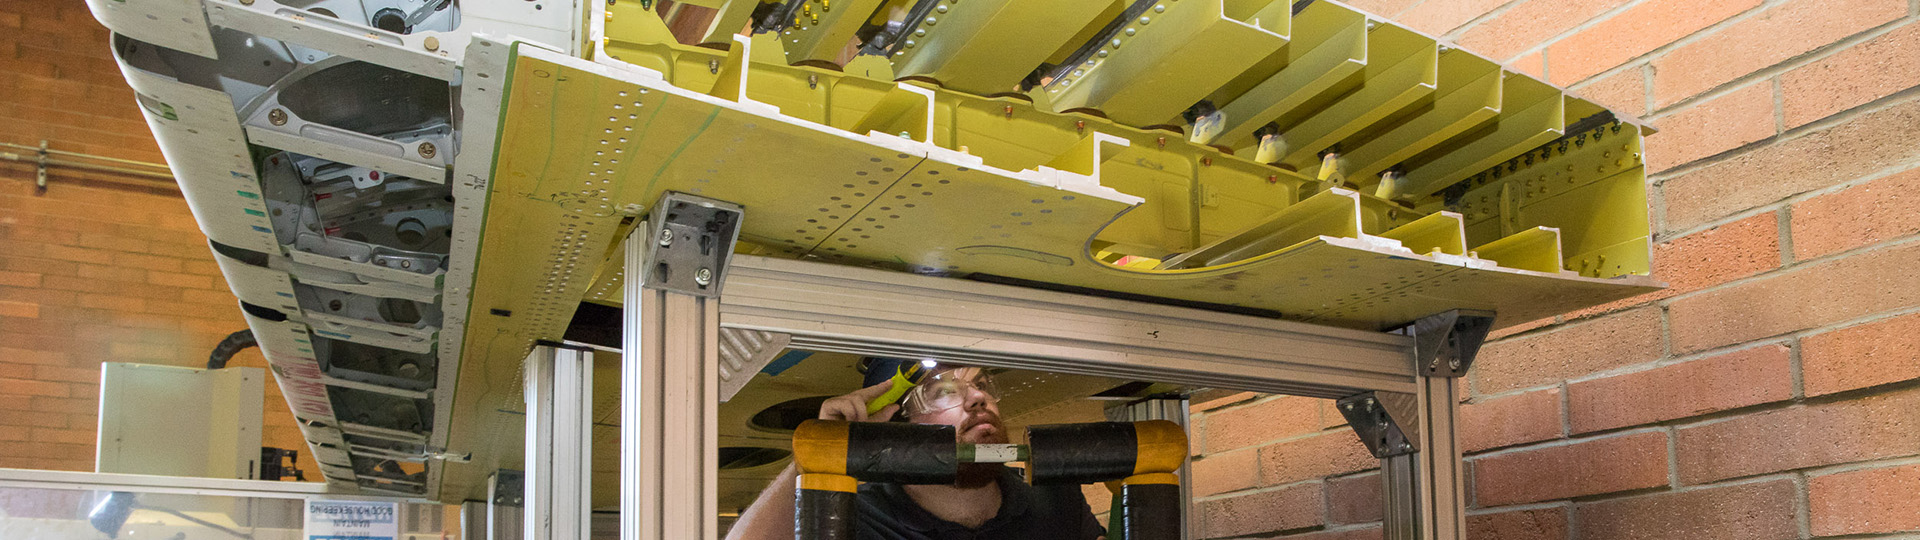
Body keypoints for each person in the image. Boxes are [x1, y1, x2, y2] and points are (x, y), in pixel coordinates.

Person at [725, 361, 1107, 540]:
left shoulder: (1054, 499)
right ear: (896, 425)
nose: (977, 398)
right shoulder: (852, 517)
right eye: (944, 392)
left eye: (981, 385)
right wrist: (813, 457)